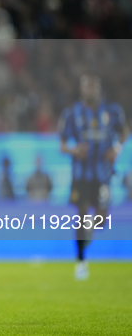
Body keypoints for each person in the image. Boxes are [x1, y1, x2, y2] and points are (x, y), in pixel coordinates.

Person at [58, 74, 128, 280]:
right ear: (81, 90)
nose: (90, 90)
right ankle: (80, 261)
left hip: (103, 174)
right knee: (81, 213)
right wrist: (75, 150)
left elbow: (124, 132)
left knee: (100, 220)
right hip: (81, 174)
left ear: (98, 88)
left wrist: (116, 148)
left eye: (93, 86)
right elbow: (62, 145)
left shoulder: (112, 111)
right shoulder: (72, 113)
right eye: (86, 87)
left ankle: (87, 233)